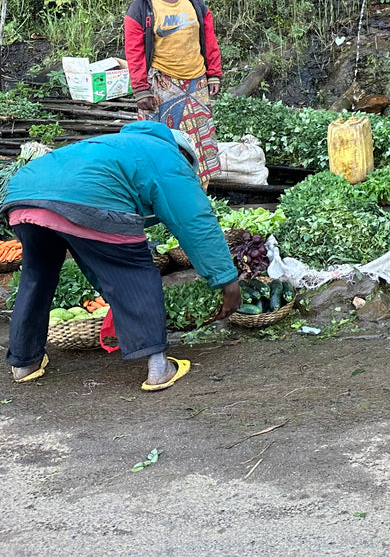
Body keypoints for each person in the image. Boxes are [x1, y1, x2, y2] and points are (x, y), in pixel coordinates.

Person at [4, 122, 241, 389]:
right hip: (88, 198)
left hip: (23, 196)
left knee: (37, 276)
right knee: (134, 271)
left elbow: (95, 256)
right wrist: (226, 280)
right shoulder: (168, 157)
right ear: (184, 155)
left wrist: (113, 294)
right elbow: (195, 221)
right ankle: (158, 367)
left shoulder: (112, 145)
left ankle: (24, 363)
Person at [124, 0, 224, 188]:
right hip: (163, 84)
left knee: (199, 142)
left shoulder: (194, 3)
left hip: (196, 81)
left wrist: (214, 74)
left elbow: (209, 39)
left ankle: (200, 191)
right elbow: (134, 50)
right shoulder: (142, 8)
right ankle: (166, 191)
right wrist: (140, 89)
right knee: (164, 142)